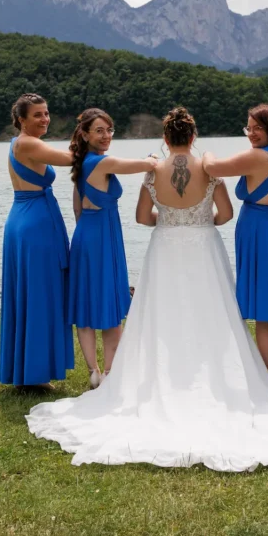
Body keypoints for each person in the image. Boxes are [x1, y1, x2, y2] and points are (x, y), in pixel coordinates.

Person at [26, 107, 268, 471]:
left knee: (163, 318)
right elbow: (225, 215)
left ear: (165, 138)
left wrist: (171, 220)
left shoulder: (153, 170)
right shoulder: (209, 170)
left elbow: (143, 219)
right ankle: (244, 377)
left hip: (164, 250)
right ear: (193, 137)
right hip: (204, 247)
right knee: (213, 316)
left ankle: (156, 380)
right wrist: (198, 218)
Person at [201, 104, 268, 386]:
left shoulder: (256, 157)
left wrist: (207, 152)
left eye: (258, 127)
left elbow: (212, 168)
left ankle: (266, 376)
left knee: (264, 310)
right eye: (249, 127)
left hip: (261, 234)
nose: (252, 133)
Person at [67, 108, 157, 389]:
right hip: (103, 237)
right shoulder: (99, 162)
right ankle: (108, 372)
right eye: (99, 131)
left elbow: (77, 208)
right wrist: (152, 160)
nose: (106, 136)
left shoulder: (82, 164)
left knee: (87, 303)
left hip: (87, 234)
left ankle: (95, 371)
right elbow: (135, 165)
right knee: (110, 304)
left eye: (109, 130)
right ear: (85, 134)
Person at [0, 93, 75, 389]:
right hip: (35, 224)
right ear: (21, 119)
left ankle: (30, 371)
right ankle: (33, 373)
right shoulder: (28, 143)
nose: (45, 119)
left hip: (25, 217)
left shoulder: (20, 143)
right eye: (37, 115)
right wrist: (95, 138)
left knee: (31, 293)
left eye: (46, 113)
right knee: (38, 293)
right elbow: (71, 159)